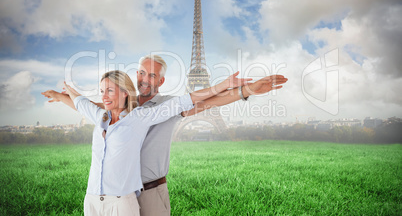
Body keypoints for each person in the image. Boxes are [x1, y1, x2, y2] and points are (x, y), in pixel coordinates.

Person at [42, 56, 288, 216]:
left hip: (149, 192)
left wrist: (246, 90)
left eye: (152, 75)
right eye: (141, 72)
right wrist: (60, 95)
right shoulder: (122, 106)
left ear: (161, 80)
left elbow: (209, 103)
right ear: (134, 77)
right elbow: (88, 105)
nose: (145, 79)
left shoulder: (169, 105)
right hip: (113, 195)